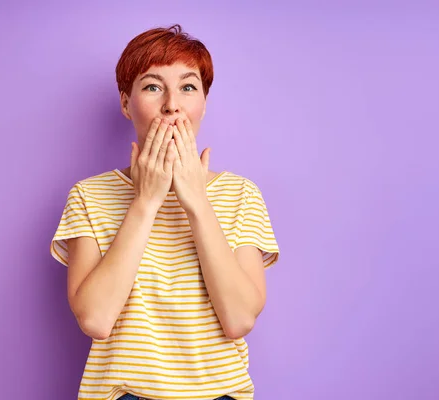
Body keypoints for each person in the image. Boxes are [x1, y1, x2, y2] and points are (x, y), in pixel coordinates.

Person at [51, 24, 280, 400]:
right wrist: (146, 201)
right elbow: (95, 319)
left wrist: (197, 201)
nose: (172, 104)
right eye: (153, 86)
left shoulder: (241, 194)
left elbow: (239, 319)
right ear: (126, 103)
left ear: (204, 102)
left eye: (188, 87)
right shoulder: (89, 196)